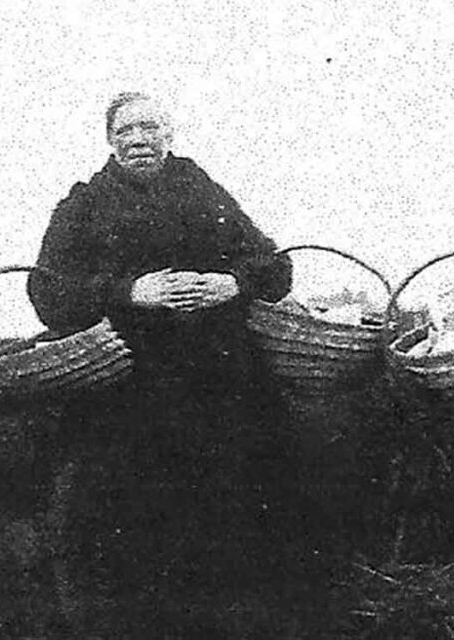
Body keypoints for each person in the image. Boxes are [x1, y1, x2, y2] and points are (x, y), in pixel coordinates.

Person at [28, 92, 294, 635]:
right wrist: (130, 291)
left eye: (148, 128)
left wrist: (233, 282)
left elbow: (275, 266)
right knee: (132, 532)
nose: (137, 140)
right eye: (123, 132)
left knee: (233, 520)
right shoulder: (85, 204)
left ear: (169, 135)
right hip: (125, 388)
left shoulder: (201, 189)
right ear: (109, 142)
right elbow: (47, 292)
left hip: (220, 382)